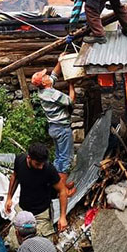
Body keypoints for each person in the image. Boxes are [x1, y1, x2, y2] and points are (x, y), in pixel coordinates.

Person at [4, 143, 69, 249]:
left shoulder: (48, 169)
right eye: (38, 164)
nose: (41, 167)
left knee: (43, 247)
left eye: (43, 163)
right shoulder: (20, 160)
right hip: (23, 210)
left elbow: (62, 191)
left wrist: (62, 217)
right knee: (14, 244)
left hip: (41, 212)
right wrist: (9, 198)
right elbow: (15, 177)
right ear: (29, 158)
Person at [30, 62, 76, 195]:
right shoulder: (52, 93)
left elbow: (54, 75)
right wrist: (71, 84)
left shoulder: (43, 90)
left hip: (54, 128)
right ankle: (62, 190)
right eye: (44, 76)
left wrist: (60, 61)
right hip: (61, 128)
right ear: (44, 82)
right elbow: (70, 101)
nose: (47, 76)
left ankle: (59, 183)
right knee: (65, 158)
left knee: (58, 157)